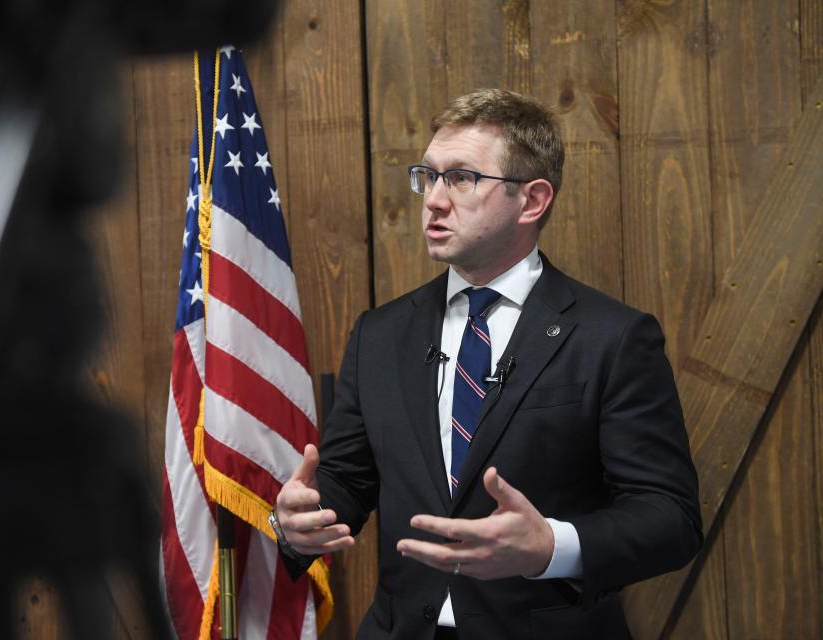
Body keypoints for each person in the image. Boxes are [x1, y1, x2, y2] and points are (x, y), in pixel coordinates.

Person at [269, 88, 702, 639]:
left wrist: (549, 546)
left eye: (462, 178)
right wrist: (298, 520)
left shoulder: (612, 337)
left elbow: (671, 519)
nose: (433, 199)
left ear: (532, 201)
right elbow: (346, 481)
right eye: (428, 176)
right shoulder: (379, 334)